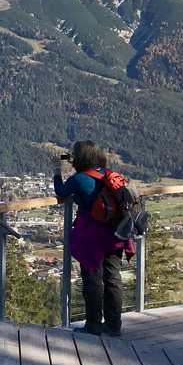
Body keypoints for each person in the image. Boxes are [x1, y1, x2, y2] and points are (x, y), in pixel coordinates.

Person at [53, 141, 134, 336]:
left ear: (79, 159)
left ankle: (93, 325)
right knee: (113, 278)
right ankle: (114, 325)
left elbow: (61, 192)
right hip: (115, 232)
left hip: (92, 234)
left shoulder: (79, 178)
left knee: (93, 280)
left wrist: (56, 171)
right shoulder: (108, 174)